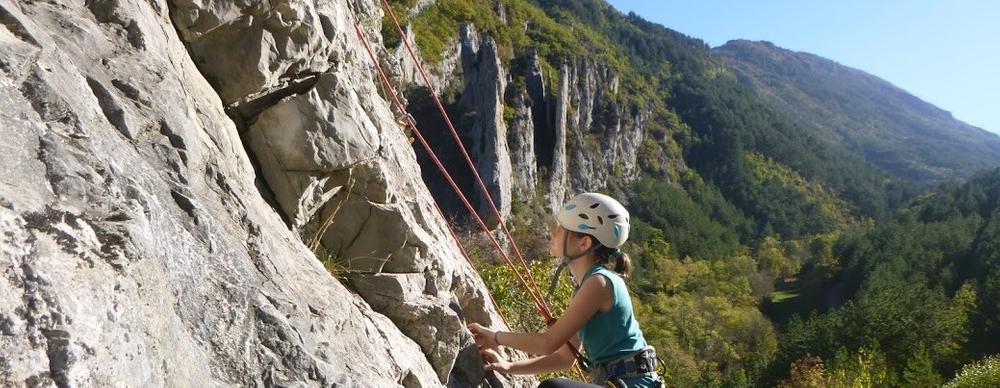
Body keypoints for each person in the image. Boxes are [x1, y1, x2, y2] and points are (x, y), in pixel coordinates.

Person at [467, 193, 663, 388]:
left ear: (583, 243)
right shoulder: (587, 286)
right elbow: (564, 357)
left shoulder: (599, 283)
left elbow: (547, 343)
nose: (554, 232)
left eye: (562, 229)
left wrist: (495, 337)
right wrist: (509, 366)